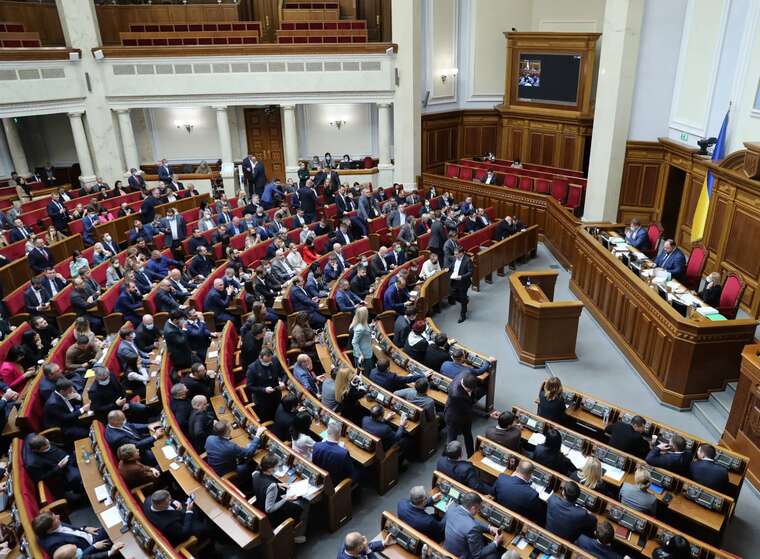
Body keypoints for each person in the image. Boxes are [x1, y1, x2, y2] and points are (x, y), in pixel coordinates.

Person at [253, 452, 310, 543]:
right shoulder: (271, 486)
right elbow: (269, 509)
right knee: (304, 504)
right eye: (277, 466)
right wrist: (286, 498)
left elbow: (263, 484)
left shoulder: (255, 473)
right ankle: (298, 535)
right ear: (270, 468)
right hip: (273, 516)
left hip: (260, 505)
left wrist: (278, 484)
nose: (278, 467)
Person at [443, 492, 505, 559]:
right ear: (473, 508)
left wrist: (489, 527)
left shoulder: (451, 509)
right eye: (479, 508)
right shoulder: (472, 528)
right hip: (461, 556)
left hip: (448, 548)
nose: (479, 511)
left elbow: (469, 520)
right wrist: (495, 542)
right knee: (493, 555)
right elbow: (477, 555)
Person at [143, 489, 213, 546]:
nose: (170, 501)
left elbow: (162, 500)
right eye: (169, 501)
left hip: (179, 514)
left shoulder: (148, 500)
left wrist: (173, 501)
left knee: (194, 506)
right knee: (205, 528)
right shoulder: (168, 524)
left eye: (170, 499)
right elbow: (184, 534)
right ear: (159, 505)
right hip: (182, 525)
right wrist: (189, 511)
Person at [205, 421, 263, 487]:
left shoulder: (209, 439)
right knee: (252, 465)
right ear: (228, 431)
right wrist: (257, 436)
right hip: (226, 473)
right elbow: (249, 452)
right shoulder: (230, 447)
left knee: (242, 456)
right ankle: (248, 485)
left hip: (214, 468)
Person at [32, 511, 109, 556]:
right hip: (90, 546)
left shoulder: (53, 524)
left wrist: (84, 528)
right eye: (55, 519)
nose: (58, 516)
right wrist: (94, 547)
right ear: (49, 530)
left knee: (108, 523)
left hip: (87, 536)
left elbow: (71, 529)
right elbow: (77, 556)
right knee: (110, 528)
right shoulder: (54, 544)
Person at [493, 460, 545, 525]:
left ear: (517, 469)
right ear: (531, 475)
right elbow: (536, 516)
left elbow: (492, 493)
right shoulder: (532, 494)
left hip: (499, 513)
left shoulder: (502, 478)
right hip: (518, 523)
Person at [444, 372, 481, 457]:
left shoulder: (465, 375)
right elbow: (468, 408)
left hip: (466, 415)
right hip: (453, 417)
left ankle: (471, 457)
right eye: (470, 390)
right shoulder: (456, 395)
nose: (472, 391)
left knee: (468, 435)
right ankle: (448, 459)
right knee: (451, 440)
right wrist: (487, 414)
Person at [312, 418, 354, 485]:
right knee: (359, 472)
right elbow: (350, 472)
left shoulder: (316, 445)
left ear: (327, 432)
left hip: (321, 479)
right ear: (339, 434)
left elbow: (314, 463)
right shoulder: (343, 453)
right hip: (337, 483)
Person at [246, 348, 283, 422]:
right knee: (266, 417)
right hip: (262, 399)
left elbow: (282, 373)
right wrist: (264, 390)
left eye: (270, 359)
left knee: (278, 412)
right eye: (267, 361)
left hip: (276, 394)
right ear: (260, 357)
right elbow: (249, 387)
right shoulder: (252, 369)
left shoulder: (274, 360)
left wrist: (283, 382)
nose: (270, 362)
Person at [448, 246, 472, 323]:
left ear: (462, 253)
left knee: (462, 297)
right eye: (454, 254)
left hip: (463, 282)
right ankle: (465, 300)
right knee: (453, 295)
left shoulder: (467, 260)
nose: (455, 256)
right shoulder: (455, 258)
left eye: (456, 254)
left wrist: (461, 277)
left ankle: (463, 315)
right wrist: (448, 268)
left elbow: (470, 272)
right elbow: (453, 265)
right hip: (455, 281)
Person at [349, 306, 373, 372]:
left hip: (367, 351)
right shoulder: (360, 328)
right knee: (366, 373)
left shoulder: (359, 322)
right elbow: (354, 342)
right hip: (364, 355)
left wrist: (370, 326)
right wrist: (360, 355)